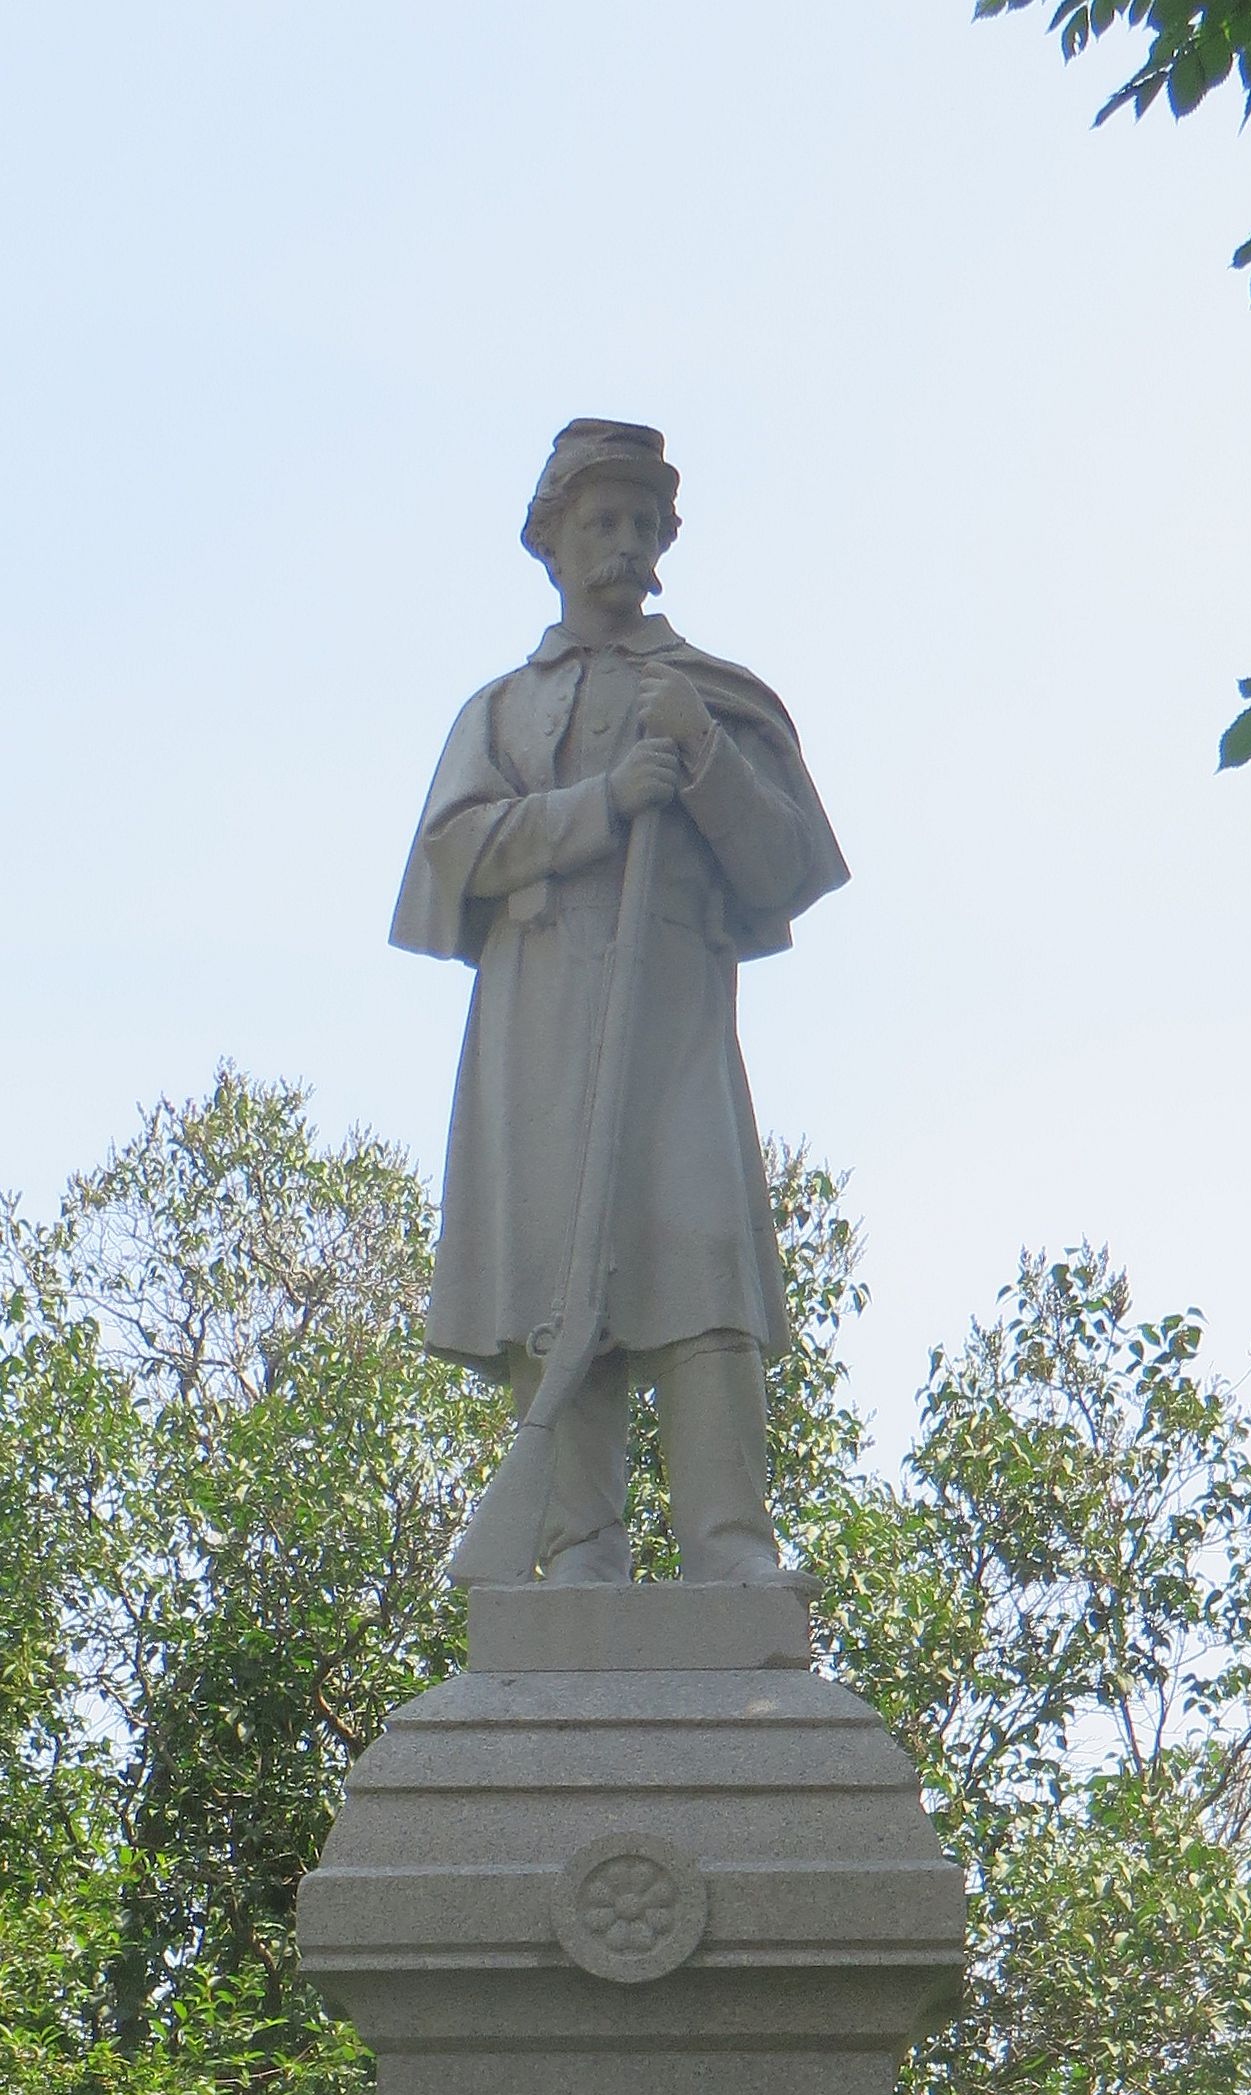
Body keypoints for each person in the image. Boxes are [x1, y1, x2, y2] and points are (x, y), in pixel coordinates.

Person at [392, 419, 847, 1583]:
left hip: (673, 1014)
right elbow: (448, 853)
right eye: (602, 519)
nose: (625, 541)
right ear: (550, 539)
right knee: (556, 1276)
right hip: (537, 1018)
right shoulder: (497, 711)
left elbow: (786, 866)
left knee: (701, 1262)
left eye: (644, 521)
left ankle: (729, 1548)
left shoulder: (713, 697)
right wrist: (598, 805)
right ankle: (577, 1550)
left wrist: (701, 757)